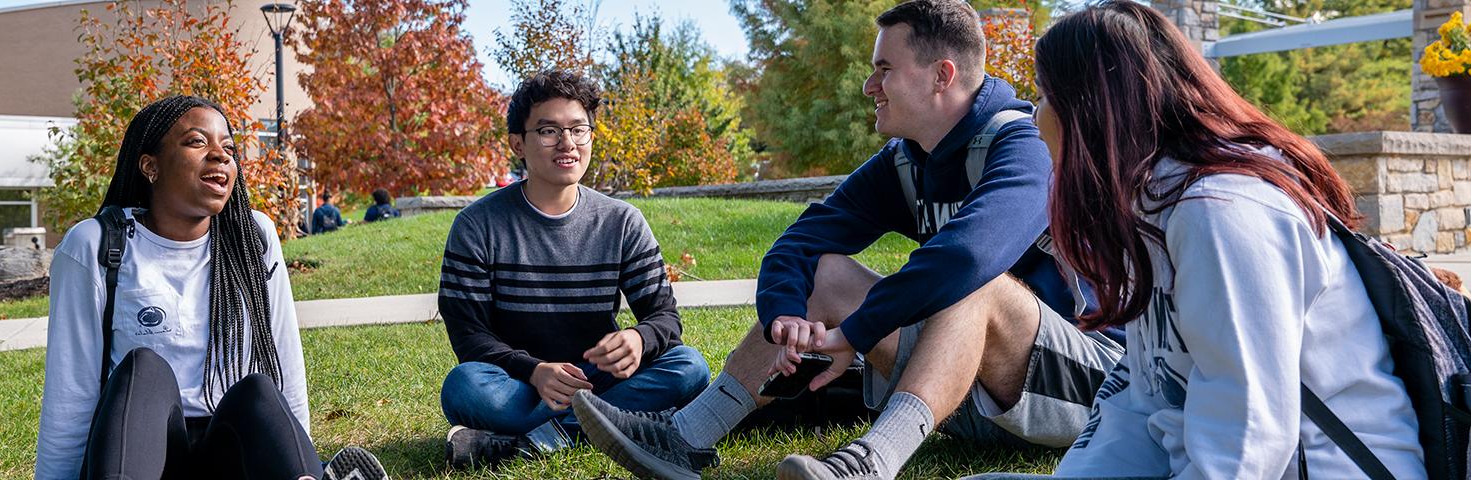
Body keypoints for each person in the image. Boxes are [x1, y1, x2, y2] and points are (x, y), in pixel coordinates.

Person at [569, 2, 1123, 479]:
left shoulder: (1022, 144)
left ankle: (869, 463)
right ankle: (686, 436)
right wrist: (786, 314)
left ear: (942, 75)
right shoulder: (906, 162)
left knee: (976, 283)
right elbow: (799, 244)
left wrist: (858, 331)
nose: (869, 85)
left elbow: (969, 255)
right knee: (826, 271)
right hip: (971, 393)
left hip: (1088, 391)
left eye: (884, 68)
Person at [966, 2, 1422, 478]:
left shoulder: (1222, 214)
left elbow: (1248, 443)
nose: (1035, 117)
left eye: (1042, 96)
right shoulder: (1153, 210)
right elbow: (1144, 405)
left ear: (1090, 109)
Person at [34, 95, 387, 480]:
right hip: (141, 453)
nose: (220, 155)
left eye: (229, 148)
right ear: (150, 166)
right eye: (197, 142)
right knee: (144, 370)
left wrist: (297, 458)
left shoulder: (254, 236)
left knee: (258, 391)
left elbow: (285, 364)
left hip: (229, 452)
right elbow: (70, 396)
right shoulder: (95, 245)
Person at [436, 69, 712, 468]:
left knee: (689, 367)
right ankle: (611, 424)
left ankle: (539, 439)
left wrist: (639, 338)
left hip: (596, 379)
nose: (567, 143)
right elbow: (468, 335)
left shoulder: (622, 221)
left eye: (578, 130)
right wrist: (534, 371)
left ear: (591, 138)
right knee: (464, 387)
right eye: (548, 131)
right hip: (518, 382)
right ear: (518, 143)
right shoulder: (478, 225)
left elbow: (664, 318)